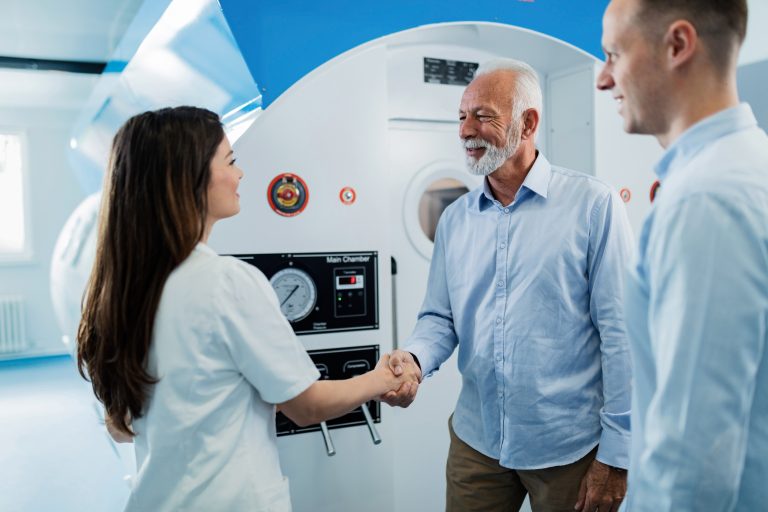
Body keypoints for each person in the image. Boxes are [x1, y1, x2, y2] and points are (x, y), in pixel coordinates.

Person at [76, 106, 415, 511]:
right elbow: (307, 405)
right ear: (190, 177)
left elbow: (121, 427)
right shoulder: (226, 281)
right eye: (230, 161)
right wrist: (381, 378)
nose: (240, 175)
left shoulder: (122, 288)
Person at [384, 59, 634, 511]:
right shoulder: (456, 219)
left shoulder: (594, 207)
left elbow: (622, 336)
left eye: (482, 116)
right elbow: (440, 317)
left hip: (569, 448)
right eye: (461, 117)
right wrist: (416, 359)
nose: (465, 130)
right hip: (477, 441)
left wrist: (617, 455)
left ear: (528, 122)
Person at [597, 0, 768, 509]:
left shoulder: (706, 200)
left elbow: (694, 458)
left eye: (613, 54)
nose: (604, 79)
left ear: (678, 45)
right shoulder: (747, 165)